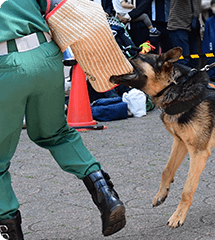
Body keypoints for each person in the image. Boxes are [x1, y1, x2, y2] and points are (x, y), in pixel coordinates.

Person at [0, 0, 126, 239]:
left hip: (5, 63)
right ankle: (106, 195)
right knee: (56, 133)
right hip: (45, 54)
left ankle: (8, 230)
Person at [167, 0, 201, 68]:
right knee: (183, 61)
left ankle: (193, 78)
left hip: (193, 26)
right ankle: (183, 78)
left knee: (195, 60)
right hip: (178, 25)